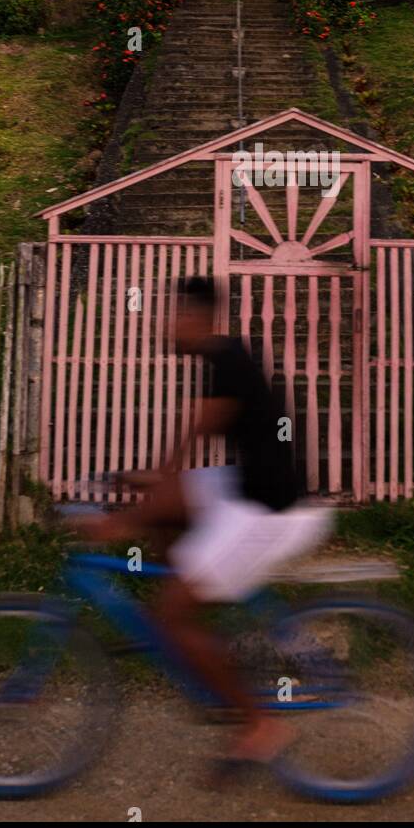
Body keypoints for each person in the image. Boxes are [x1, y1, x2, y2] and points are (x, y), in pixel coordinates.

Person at [77, 276, 332, 769]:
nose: (165, 324)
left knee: (169, 614)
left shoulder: (227, 362)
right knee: (165, 504)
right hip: (246, 484)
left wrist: (120, 520)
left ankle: (261, 725)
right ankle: (192, 615)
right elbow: (182, 461)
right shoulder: (222, 357)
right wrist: (148, 487)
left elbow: (196, 434)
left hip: (268, 509)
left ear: (196, 318)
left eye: (173, 314)